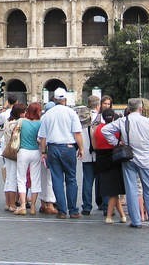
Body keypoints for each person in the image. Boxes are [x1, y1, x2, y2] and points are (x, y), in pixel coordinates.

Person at [102, 98, 149, 229]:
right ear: (141, 108)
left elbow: (105, 130)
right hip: (146, 159)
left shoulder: (123, 121)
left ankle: (136, 221)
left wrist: (116, 142)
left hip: (129, 157)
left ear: (128, 109)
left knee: (131, 189)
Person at [38, 87, 84, 219]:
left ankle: (62, 210)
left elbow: (42, 137)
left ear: (54, 99)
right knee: (71, 179)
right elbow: (77, 133)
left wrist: (43, 152)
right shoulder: (71, 113)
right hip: (68, 147)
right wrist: (81, 148)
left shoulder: (48, 115)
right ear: (65, 99)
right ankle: (73, 210)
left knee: (56, 179)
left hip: (53, 148)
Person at [93, 108, 126, 223]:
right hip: (114, 160)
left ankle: (122, 215)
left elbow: (94, 145)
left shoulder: (97, 129)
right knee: (114, 190)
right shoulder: (116, 130)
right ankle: (109, 216)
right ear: (113, 118)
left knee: (109, 189)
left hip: (101, 160)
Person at [15, 102, 43, 215]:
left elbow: (14, 134)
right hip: (35, 151)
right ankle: (32, 207)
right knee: (35, 179)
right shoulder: (40, 123)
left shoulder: (21, 121)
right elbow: (40, 139)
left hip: (23, 151)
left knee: (21, 178)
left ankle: (22, 205)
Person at [78, 95, 102, 215]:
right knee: (102, 179)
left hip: (86, 152)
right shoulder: (101, 118)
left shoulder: (82, 118)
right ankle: (104, 204)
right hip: (100, 154)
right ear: (98, 105)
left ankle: (86, 207)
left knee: (87, 181)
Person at [2, 103, 26, 212]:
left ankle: (7, 203)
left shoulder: (8, 121)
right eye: (23, 112)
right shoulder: (16, 124)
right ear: (19, 113)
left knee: (8, 179)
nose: (25, 114)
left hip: (7, 151)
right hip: (14, 152)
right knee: (13, 178)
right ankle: (12, 204)